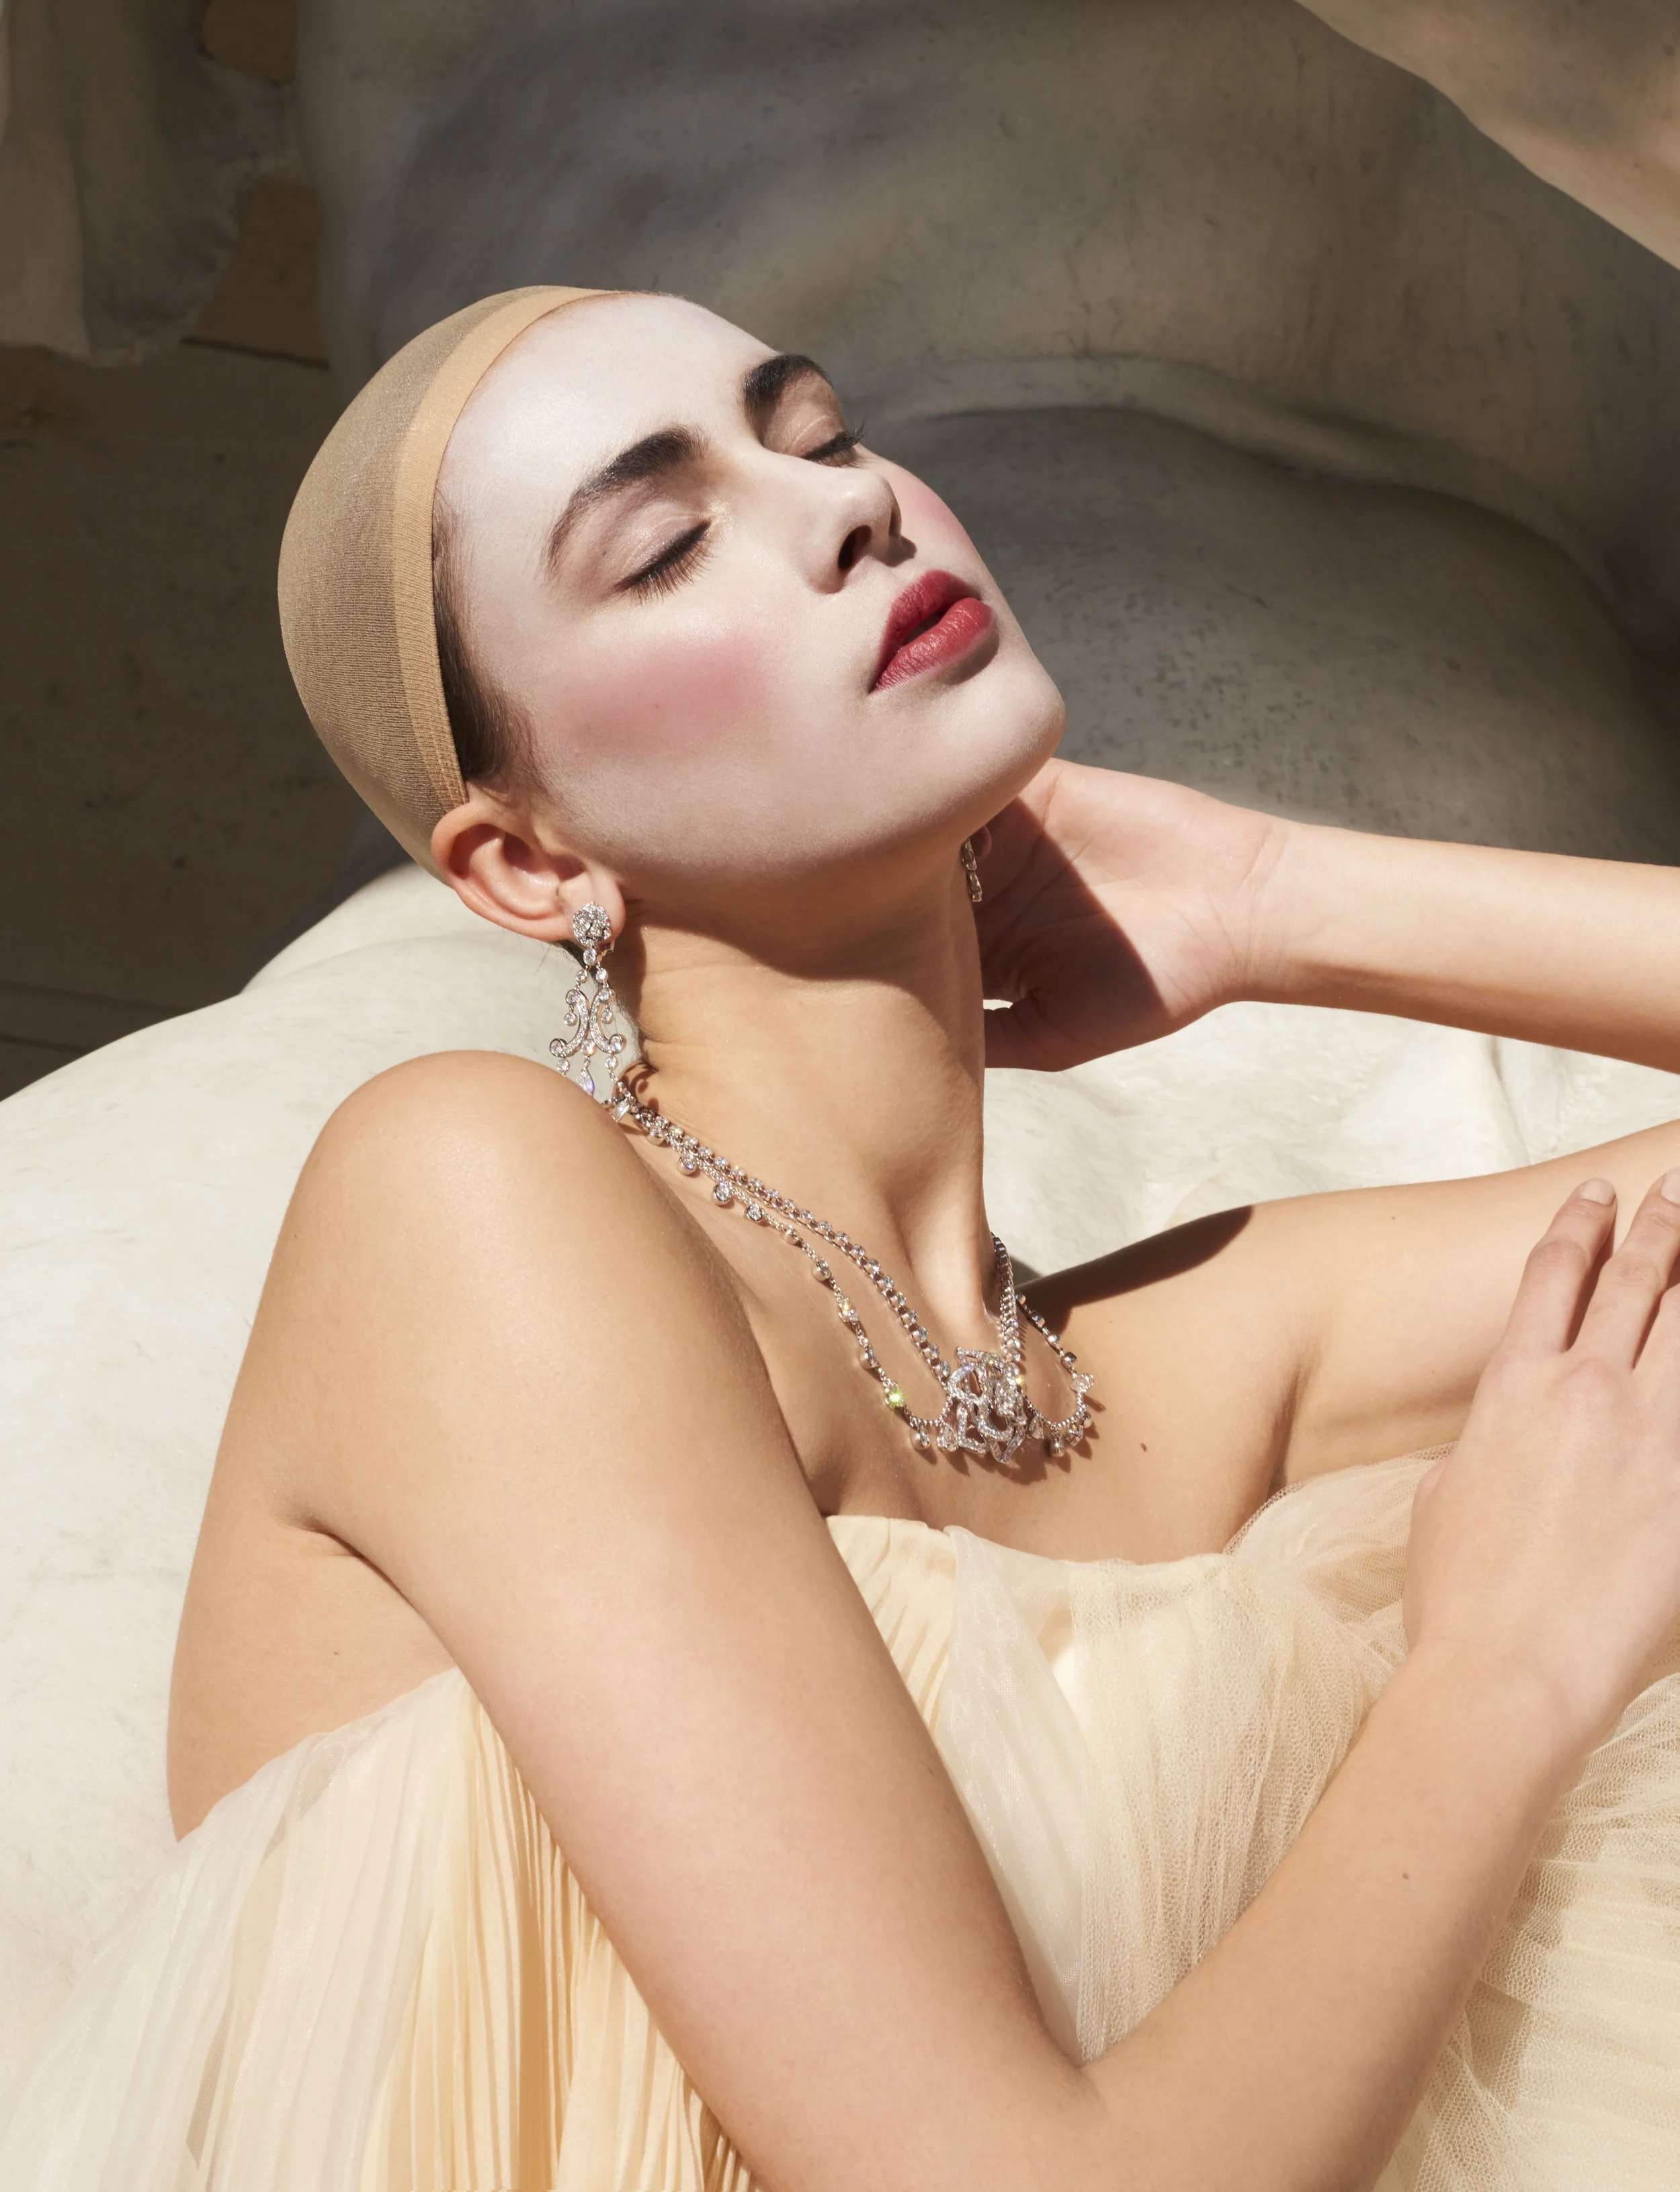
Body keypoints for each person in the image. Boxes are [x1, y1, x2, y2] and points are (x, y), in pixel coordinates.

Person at [7, 280, 1680, 2192]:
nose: (848, 508)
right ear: (528, 862)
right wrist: (1501, 1675)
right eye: (665, 544)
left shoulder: (1197, 1358)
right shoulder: (471, 1196)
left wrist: (1273, 893)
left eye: (818, 434)